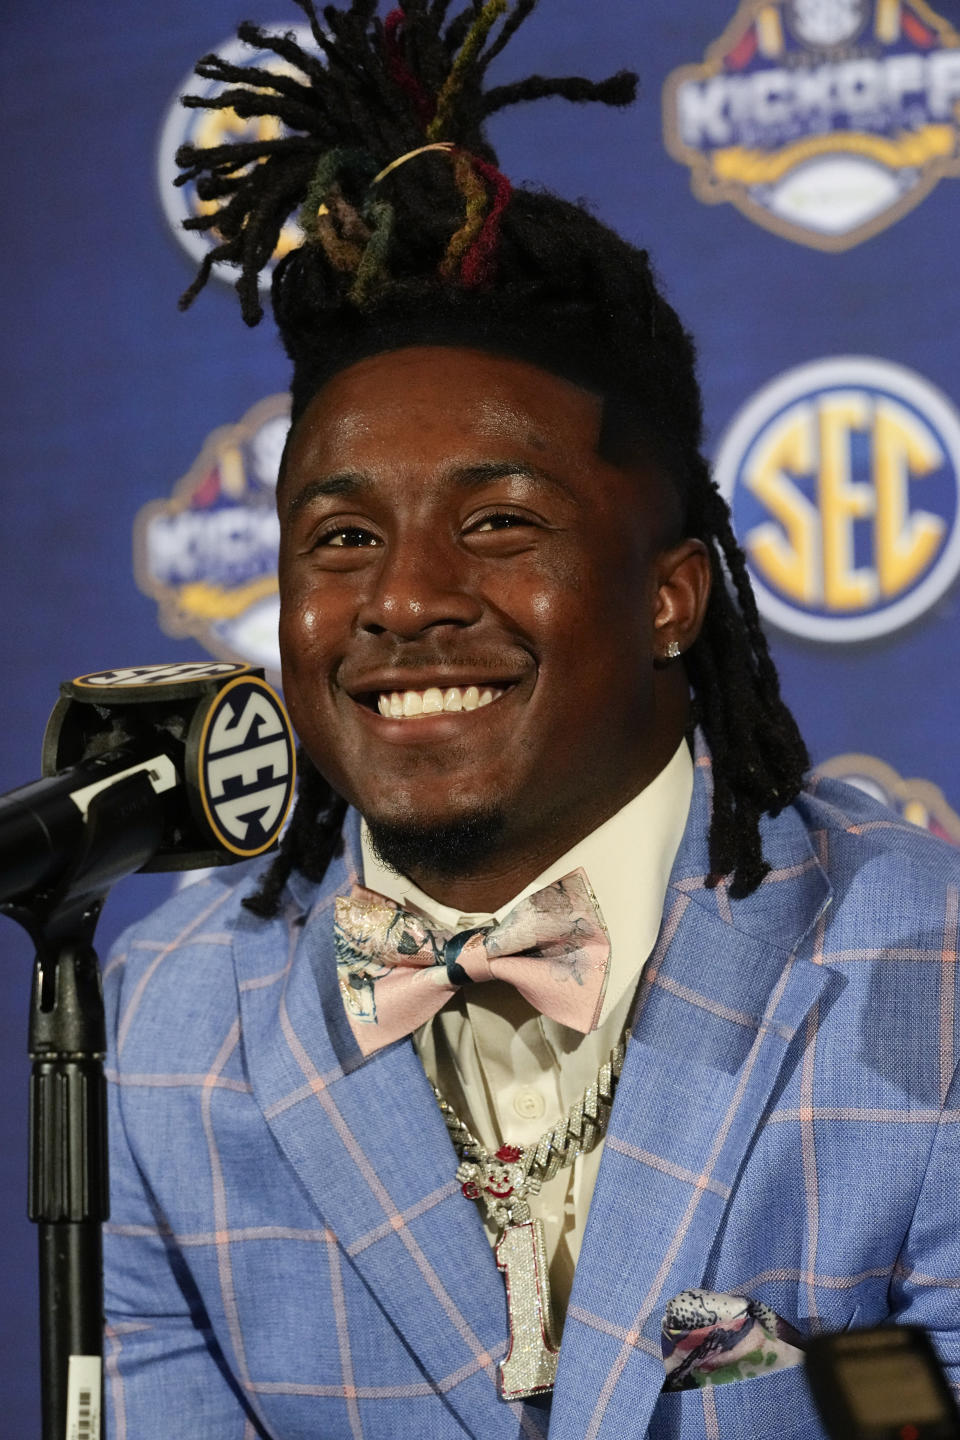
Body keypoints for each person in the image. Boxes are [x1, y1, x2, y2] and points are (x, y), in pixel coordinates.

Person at [103, 4, 960, 1437]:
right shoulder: (159, 1024)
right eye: (340, 539)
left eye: (500, 523)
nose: (405, 600)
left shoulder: (928, 971)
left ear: (673, 598)